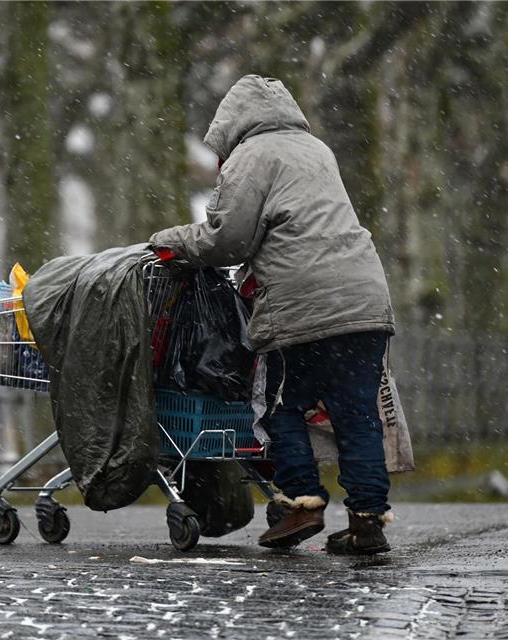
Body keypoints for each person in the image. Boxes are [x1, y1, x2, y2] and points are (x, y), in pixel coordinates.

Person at [150, 74, 396, 555]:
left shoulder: (251, 156)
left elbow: (229, 240)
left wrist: (169, 240)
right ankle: (367, 521)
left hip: (302, 303)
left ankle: (301, 502)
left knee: (279, 406)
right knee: (357, 416)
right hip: (366, 300)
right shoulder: (317, 149)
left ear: (231, 125)